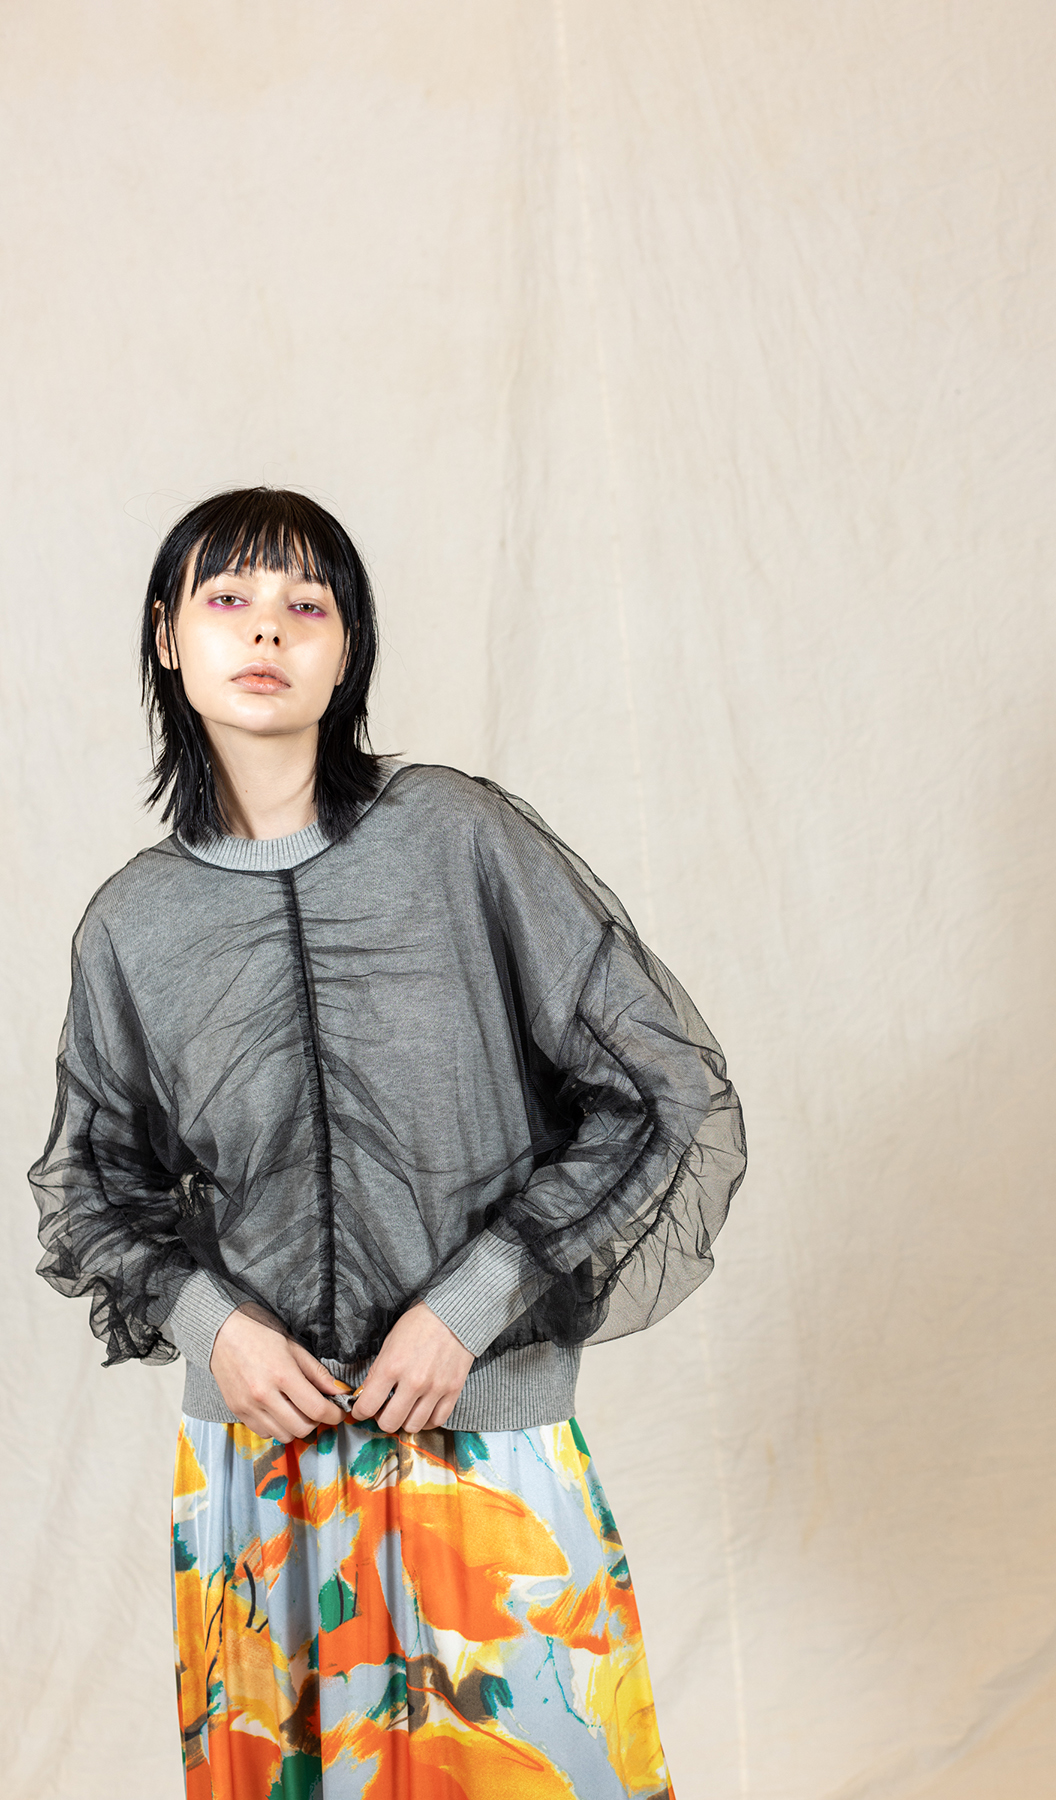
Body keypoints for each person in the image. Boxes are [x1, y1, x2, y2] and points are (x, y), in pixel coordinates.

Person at [29, 487, 746, 1800]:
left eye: (307, 605)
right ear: (168, 635)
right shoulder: (133, 925)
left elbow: (659, 1092)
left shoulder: (458, 837)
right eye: (228, 598)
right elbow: (88, 1186)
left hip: (482, 1453)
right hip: (262, 1478)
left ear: (347, 650)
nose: (267, 630)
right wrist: (215, 1330)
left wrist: (471, 1307)